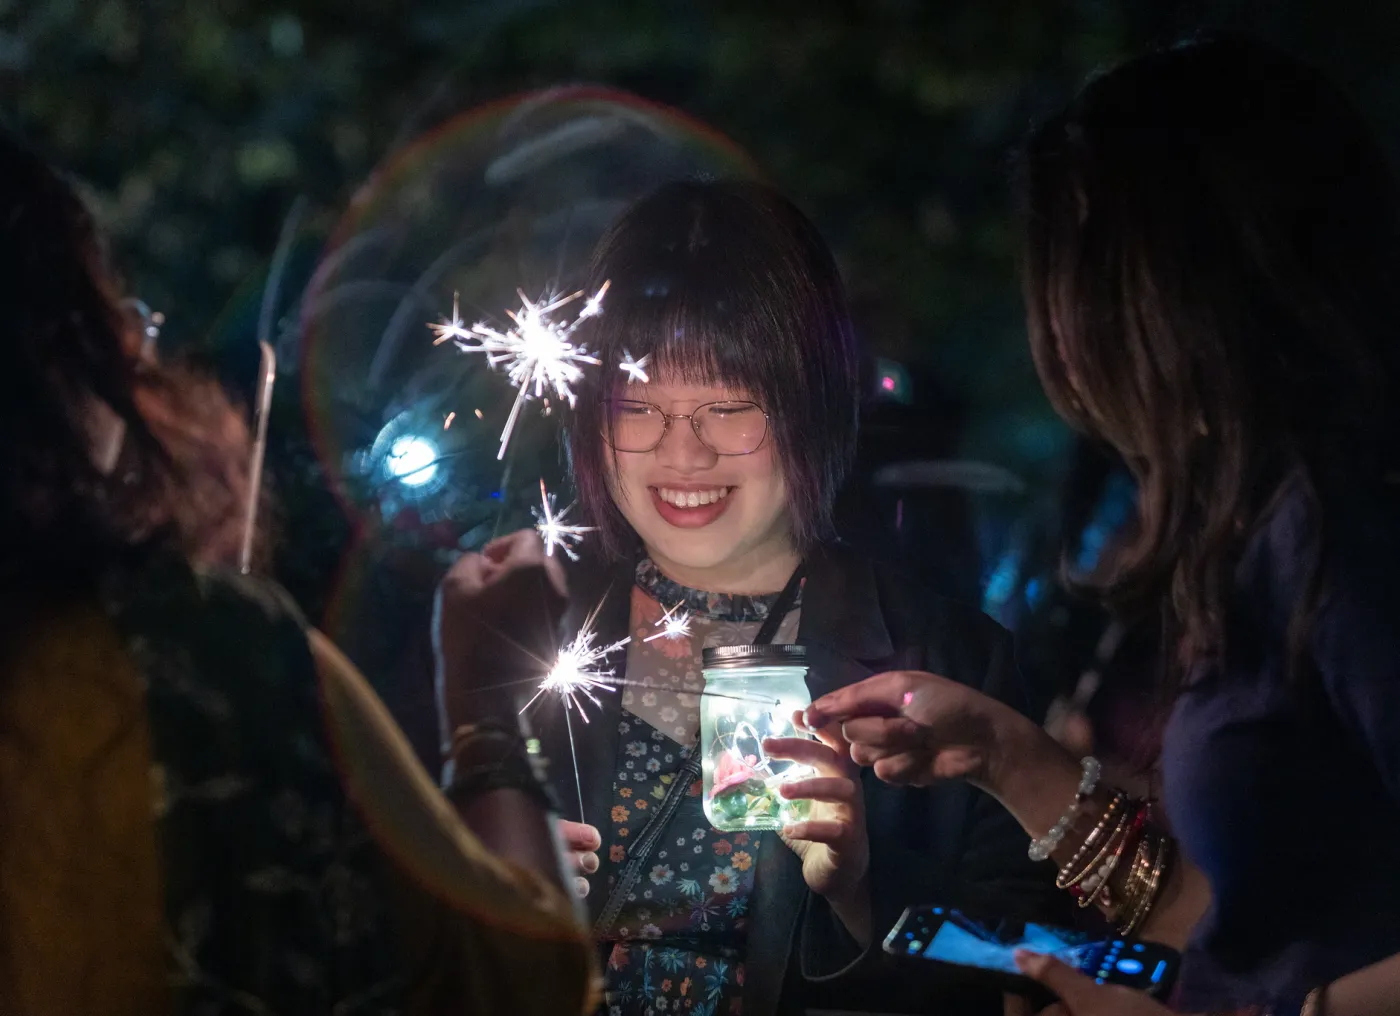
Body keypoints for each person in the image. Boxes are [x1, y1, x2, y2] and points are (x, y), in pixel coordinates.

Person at [805, 36, 1400, 1016]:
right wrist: (1000, 753)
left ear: (1168, 280)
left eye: (1072, 269)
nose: (1056, 325)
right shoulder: (1250, 524)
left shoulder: (1337, 526)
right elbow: (1238, 921)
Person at [437, 180, 1070, 1016]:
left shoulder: (949, 661)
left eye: (729, 408)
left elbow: (1030, 965)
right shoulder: (514, 633)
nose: (683, 454)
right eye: (639, 407)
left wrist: (863, 889)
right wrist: (486, 875)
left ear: (809, 405)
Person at [0, 126, 595, 1015]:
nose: (137, 346)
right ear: (53, 355)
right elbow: (526, 982)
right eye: (112, 310)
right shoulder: (203, 652)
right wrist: (485, 710)